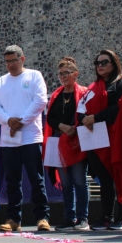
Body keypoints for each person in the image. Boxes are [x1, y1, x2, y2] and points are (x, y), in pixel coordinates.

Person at [0, 45, 51, 232]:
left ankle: (42, 217)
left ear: (22, 59)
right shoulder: (1, 81)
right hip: (9, 139)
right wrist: (8, 120)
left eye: (14, 60)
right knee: (12, 180)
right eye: (7, 61)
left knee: (36, 179)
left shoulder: (34, 76)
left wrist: (21, 121)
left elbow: (40, 101)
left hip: (30, 136)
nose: (11, 65)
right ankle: (13, 219)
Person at [80, 50, 122, 230]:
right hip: (97, 139)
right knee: (105, 178)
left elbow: (120, 108)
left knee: (120, 176)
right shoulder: (92, 88)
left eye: (104, 62)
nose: (100, 65)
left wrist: (96, 117)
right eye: (97, 62)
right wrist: (84, 119)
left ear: (114, 63)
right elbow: (82, 110)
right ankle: (106, 217)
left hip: (116, 136)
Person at [43, 57, 89, 231]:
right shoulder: (56, 95)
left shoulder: (84, 92)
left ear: (75, 74)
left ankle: (83, 218)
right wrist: (62, 126)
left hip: (76, 142)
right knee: (66, 182)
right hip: (60, 143)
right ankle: (69, 218)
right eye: (60, 74)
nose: (63, 77)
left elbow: (85, 113)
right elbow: (51, 118)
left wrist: (73, 129)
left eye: (66, 73)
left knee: (79, 180)